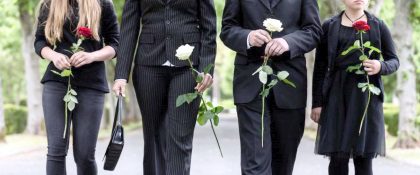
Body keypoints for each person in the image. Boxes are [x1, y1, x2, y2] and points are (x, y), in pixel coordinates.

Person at [112, 0, 216, 174]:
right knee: (153, 136)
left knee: (180, 137)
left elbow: (209, 26)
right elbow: (129, 26)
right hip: (148, 65)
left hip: (188, 68)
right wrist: (121, 74)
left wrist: (206, 68)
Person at [220, 0, 322, 174]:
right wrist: (248, 37)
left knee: (283, 164)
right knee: (255, 165)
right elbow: (227, 29)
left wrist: (288, 43)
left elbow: (313, 31)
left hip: (291, 85)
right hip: (249, 84)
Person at [311, 0, 399, 174]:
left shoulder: (378, 26)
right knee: (337, 159)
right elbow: (320, 67)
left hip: (366, 98)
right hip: (336, 98)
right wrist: (317, 103)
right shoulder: (329, 26)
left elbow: (394, 60)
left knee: (364, 160)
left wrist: (380, 66)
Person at [34, 0, 119, 174]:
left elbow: (115, 44)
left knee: (85, 154)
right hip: (56, 82)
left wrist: (92, 56)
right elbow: (40, 42)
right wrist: (54, 56)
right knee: (56, 151)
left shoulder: (103, 4)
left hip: (92, 85)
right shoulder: (49, 4)